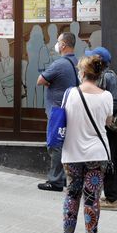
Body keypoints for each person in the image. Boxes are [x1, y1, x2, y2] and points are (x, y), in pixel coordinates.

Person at [59, 55, 113, 233]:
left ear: (81, 73)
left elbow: (63, 117)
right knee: (92, 198)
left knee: (72, 194)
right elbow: (108, 122)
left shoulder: (69, 94)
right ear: (99, 75)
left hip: (72, 153)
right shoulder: (106, 96)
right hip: (96, 153)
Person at [37, 31, 78, 191]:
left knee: (55, 145)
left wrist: (50, 83)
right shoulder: (76, 62)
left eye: (58, 41)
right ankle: (68, 179)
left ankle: (55, 181)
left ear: (63, 45)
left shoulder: (59, 63)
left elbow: (41, 80)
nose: (56, 44)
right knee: (68, 145)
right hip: (72, 109)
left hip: (57, 111)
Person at [86, 47, 117, 211]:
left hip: (108, 125)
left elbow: (114, 102)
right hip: (110, 125)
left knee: (108, 160)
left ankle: (111, 198)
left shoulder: (106, 76)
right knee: (114, 158)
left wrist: (103, 118)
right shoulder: (110, 75)